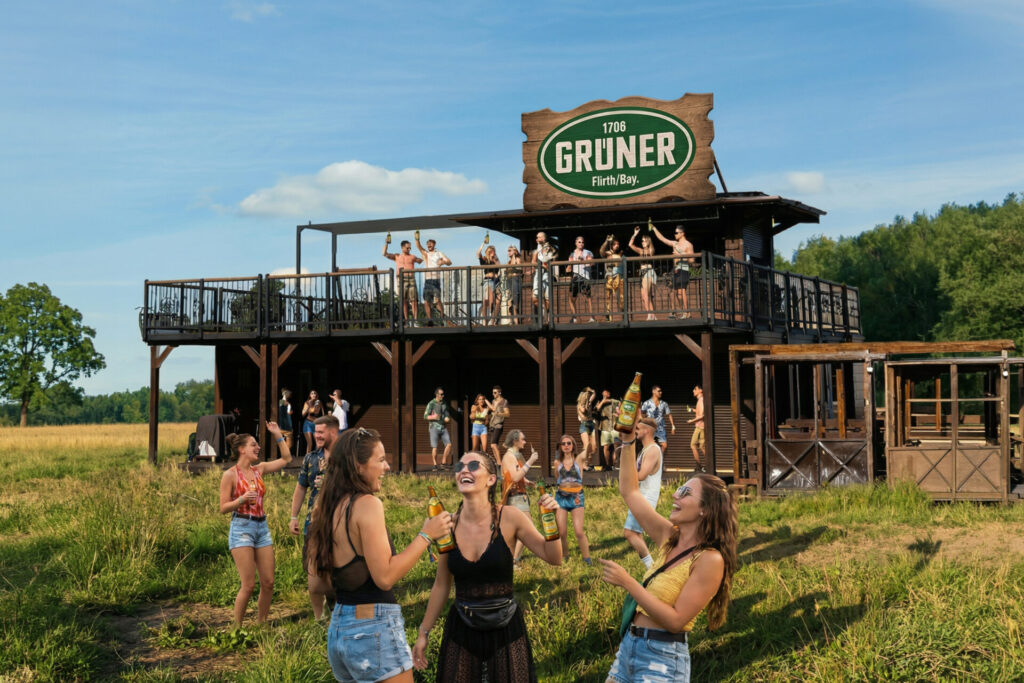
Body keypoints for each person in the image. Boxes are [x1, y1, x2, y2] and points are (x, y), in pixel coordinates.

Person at [306, 427, 453, 683]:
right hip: (373, 630)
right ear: (358, 466)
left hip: (340, 628)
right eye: (381, 459)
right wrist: (426, 535)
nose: (387, 467)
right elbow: (385, 577)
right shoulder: (367, 504)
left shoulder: (326, 508)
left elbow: (316, 584)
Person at [412, 450, 562, 682]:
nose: (464, 470)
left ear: (491, 479)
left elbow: (554, 557)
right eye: (459, 467)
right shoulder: (447, 524)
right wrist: (423, 632)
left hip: (506, 629)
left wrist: (551, 518)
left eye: (473, 466)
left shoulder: (510, 517)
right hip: (461, 629)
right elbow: (441, 585)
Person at [600, 430, 737, 683]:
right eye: (679, 489)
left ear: (705, 510)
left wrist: (628, 582)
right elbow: (629, 491)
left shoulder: (710, 560)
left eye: (685, 493)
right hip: (629, 647)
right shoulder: (669, 536)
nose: (675, 495)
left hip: (662, 659)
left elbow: (675, 621)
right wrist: (628, 441)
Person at [219, 421, 293, 626]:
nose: (258, 447)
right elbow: (223, 507)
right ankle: (236, 629)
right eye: (253, 445)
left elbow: (287, 459)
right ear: (242, 449)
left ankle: (261, 625)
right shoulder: (230, 475)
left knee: (268, 582)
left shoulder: (259, 469)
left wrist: (277, 434)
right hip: (242, 528)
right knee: (249, 585)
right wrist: (241, 500)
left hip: (262, 527)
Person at [289, 415, 340, 619]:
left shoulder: (347, 456)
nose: (316, 435)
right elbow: (301, 488)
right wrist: (293, 516)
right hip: (314, 523)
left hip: (340, 522)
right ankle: (319, 618)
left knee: (338, 569)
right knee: (314, 570)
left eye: (320, 432)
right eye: (315, 431)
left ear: (334, 432)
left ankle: (337, 610)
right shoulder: (310, 458)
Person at [623, 418, 662, 570]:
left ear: (647, 431)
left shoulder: (653, 450)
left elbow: (642, 475)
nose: (636, 431)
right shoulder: (645, 450)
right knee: (636, 533)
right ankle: (652, 568)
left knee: (630, 533)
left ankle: (651, 568)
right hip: (640, 496)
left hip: (645, 497)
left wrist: (627, 469)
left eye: (638, 428)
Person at [501, 429, 539, 567]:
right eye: (523, 439)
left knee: (519, 530)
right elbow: (515, 477)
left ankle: (511, 559)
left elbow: (516, 475)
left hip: (519, 495)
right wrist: (530, 461)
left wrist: (526, 481)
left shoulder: (515, 455)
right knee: (527, 529)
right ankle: (514, 561)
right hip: (515, 496)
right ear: (515, 441)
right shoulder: (509, 457)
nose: (525, 441)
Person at [553, 434, 592, 565]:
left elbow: (590, 449)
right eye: (563, 444)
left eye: (569, 443)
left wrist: (590, 435)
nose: (566, 446)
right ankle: (565, 555)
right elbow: (558, 479)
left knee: (579, 531)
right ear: (560, 447)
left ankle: (587, 558)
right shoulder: (557, 463)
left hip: (576, 498)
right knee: (562, 532)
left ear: (573, 445)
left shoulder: (579, 459)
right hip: (561, 498)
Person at [651, 223, 695, 318]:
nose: (675, 234)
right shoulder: (675, 244)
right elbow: (663, 239)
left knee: (681, 292)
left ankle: (686, 312)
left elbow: (692, 260)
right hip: (675, 270)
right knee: (673, 292)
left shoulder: (688, 244)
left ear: (682, 233)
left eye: (676, 233)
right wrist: (654, 228)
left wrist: (681, 255)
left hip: (683, 269)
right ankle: (677, 311)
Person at [383, 238, 423, 325]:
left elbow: (421, 260)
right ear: (402, 247)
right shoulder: (397, 256)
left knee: (414, 300)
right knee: (403, 300)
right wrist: (386, 244)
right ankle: (407, 321)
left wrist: (422, 254)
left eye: (410, 248)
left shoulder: (412, 256)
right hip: (401, 279)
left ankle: (415, 320)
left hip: (411, 279)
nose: (409, 249)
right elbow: (384, 254)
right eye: (407, 248)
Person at [416, 234, 452, 325]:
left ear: (434, 244)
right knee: (426, 301)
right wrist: (417, 239)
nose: (429, 245)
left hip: (436, 280)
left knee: (438, 300)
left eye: (431, 243)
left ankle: (442, 318)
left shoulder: (439, 253)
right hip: (428, 280)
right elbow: (419, 247)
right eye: (428, 244)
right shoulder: (426, 254)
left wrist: (443, 262)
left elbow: (449, 262)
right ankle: (430, 320)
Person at [628, 226, 657, 321]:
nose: (642, 242)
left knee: (646, 295)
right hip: (642, 273)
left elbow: (650, 254)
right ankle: (652, 315)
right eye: (642, 241)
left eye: (644, 241)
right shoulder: (641, 250)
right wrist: (635, 234)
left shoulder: (650, 250)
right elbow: (630, 245)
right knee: (644, 297)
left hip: (648, 271)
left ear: (648, 241)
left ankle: (650, 315)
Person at [641, 385, 676, 455]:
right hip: (650, 428)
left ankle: (659, 459)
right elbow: (642, 414)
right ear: (653, 391)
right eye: (659, 391)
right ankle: (648, 459)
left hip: (660, 427)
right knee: (649, 446)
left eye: (661, 391)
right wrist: (643, 424)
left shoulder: (664, 403)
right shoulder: (646, 403)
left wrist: (673, 426)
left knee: (664, 445)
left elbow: (669, 414)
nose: (661, 392)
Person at [567, 235, 595, 323]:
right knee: (572, 298)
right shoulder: (572, 254)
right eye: (579, 242)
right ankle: (574, 318)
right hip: (576, 277)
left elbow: (592, 263)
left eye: (582, 242)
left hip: (585, 277)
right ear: (576, 243)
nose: (581, 244)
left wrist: (584, 260)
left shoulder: (588, 252)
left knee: (588, 298)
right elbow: (569, 268)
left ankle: (592, 318)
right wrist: (569, 267)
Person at [424, 387, 453, 471]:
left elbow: (446, 412)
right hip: (434, 427)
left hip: (443, 427)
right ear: (437, 394)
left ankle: (443, 463)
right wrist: (434, 417)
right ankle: (435, 464)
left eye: (443, 394)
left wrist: (447, 417)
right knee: (435, 447)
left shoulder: (444, 403)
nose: (443, 396)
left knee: (449, 444)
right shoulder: (431, 403)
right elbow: (425, 416)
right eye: (441, 394)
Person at [599, 235, 625, 321]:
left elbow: (619, 260)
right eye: (615, 244)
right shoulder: (607, 253)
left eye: (618, 244)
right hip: (609, 275)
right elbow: (601, 251)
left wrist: (613, 257)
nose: (617, 246)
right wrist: (606, 241)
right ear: (611, 245)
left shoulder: (620, 253)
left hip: (618, 276)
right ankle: (608, 315)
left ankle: (623, 314)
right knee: (608, 295)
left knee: (620, 296)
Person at [595, 389, 620, 470]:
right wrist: (603, 401)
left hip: (615, 427)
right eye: (603, 393)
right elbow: (597, 409)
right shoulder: (600, 402)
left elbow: (620, 405)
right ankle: (607, 465)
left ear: (609, 393)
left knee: (616, 446)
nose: (604, 394)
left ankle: (614, 464)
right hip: (605, 427)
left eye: (606, 392)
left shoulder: (615, 401)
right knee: (606, 447)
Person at [477, 242, 502, 325]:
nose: (493, 252)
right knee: (487, 300)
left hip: (496, 281)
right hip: (488, 281)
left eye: (494, 251)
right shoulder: (485, 260)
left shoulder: (495, 259)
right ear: (488, 252)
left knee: (498, 300)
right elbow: (478, 254)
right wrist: (483, 244)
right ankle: (485, 320)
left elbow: (499, 267)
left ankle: (492, 320)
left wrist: (495, 258)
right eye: (491, 251)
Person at [531, 231, 556, 313]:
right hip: (538, 274)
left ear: (543, 238)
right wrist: (540, 264)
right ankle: (543, 312)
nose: (537, 239)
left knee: (547, 298)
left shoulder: (550, 248)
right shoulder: (537, 250)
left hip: (547, 274)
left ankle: (547, 317)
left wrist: (542, 263)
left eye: (539, 237)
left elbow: (547, 259)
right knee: (535, 298)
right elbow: (533, 262)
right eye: (537, 237)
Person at [486, 385, 510, 462]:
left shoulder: (504, 402)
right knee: (493, 445)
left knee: (493, 444)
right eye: (493, 392)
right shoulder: (493, 401)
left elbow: (507, 414)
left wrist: (499, 413)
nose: (493, 394)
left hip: (499, 425)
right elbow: (493, 409)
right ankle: (497, 462)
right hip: (492, 424)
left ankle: (499, 463)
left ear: (499, 392)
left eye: (495, 392)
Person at [576, 387, 597, 470]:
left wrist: (591, 390)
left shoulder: (589, 403)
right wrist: (586, 403)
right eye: (587, 396)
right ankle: (583, 464)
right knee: (586, 445)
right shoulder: (580, 405)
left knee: (594, 447)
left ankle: (586, 463)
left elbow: (594, 394)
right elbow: (583, 411)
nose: (588, 397)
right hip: (584, 425)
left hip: (591, 424)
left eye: (589, 396)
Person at [688, 385, 706, 473]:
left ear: (700, 390)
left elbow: (702, 416)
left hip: (700, 427)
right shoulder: (700, 400)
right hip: (701, 426)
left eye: (695, 389)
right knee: (702, 447)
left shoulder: (701, 400)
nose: (693, 390)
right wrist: (693, 410)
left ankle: (700, 466)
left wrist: (691, 421)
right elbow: (700, 412)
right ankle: (705, 465)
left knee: (693, 445)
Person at [505, 245, 525, 323]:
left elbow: (514, 266)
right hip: (509, 280)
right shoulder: (508, 262)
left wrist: (514, 255)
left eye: (510, 250)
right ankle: (511, 320)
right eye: (508, 251)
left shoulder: (517, 259)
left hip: (516, 280)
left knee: (515, 300)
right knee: (510, 300)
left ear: (514, 251)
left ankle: (516, 321)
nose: (508, 252)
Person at [301, 390, 324, 456]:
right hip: (308, 423)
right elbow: (303, 414)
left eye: (315, 393)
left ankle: (317, 458)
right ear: (310, 395)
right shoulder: (307, 403)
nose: (313, 394)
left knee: (318, 443)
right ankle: (307, 459)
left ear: (316, 395)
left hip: (316, 424)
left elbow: (320, 413)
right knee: (310, 443)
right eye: (312, 393)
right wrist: (308, 406)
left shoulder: (319, 402)